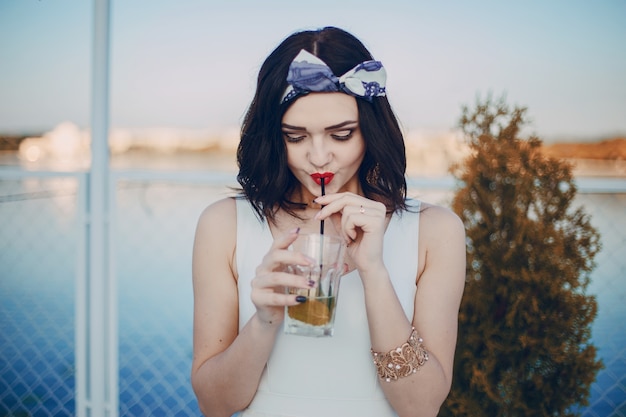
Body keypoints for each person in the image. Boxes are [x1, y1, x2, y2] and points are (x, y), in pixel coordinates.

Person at [191, 26, 466, 417]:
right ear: (274, 136)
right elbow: (213, 404)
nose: (318, 158)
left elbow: (421, 406)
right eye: (296, 137)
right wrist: (265, 319)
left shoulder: (436, 232)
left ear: (370, 131)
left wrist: (374, 271)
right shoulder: (223, 226)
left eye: (341, 135)